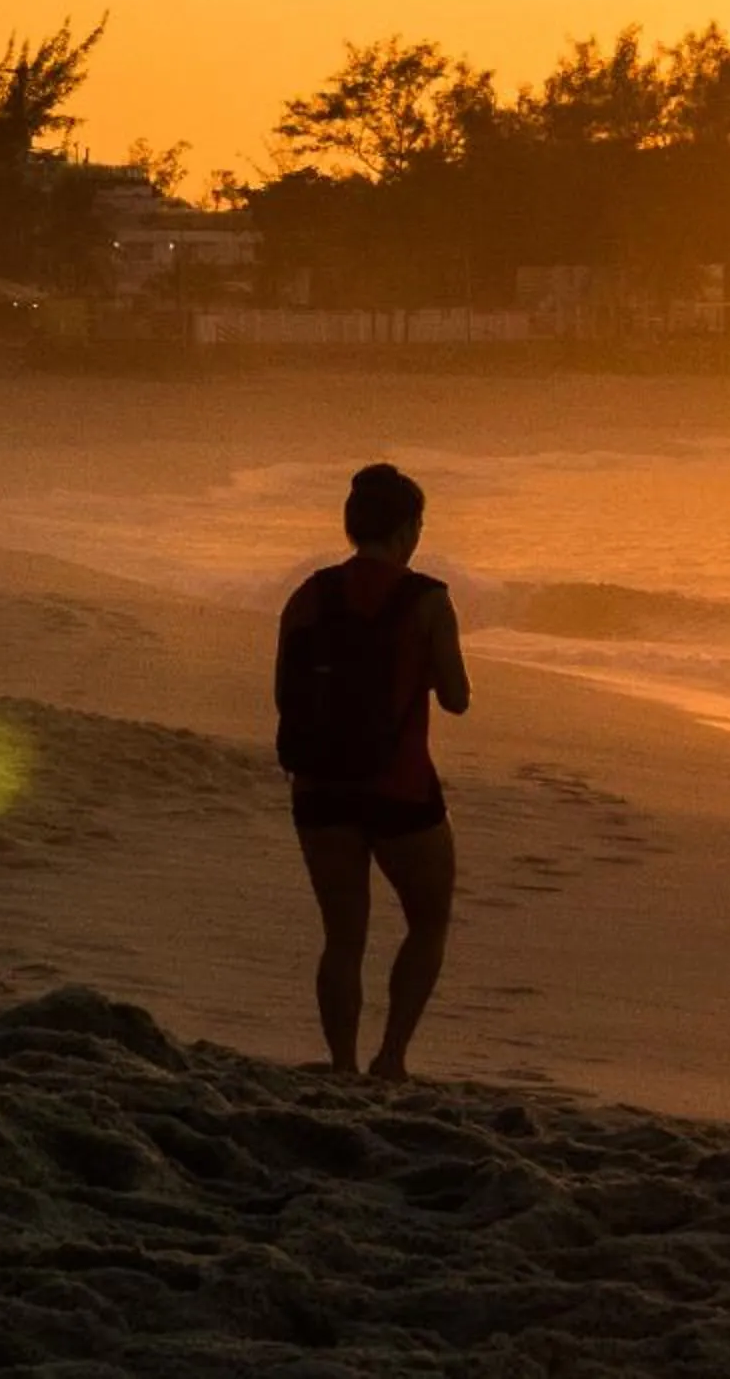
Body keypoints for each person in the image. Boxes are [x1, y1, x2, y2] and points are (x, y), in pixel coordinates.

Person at [274, 462, 471, 1078]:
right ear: (408, 528)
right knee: (429, 920)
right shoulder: (428, 599)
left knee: (343, 938)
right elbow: (458, 697)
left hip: (320, 788)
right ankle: (391, 1058)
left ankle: (341, 1064)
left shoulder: (309, 594)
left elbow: (284, 693)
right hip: (399, 788)